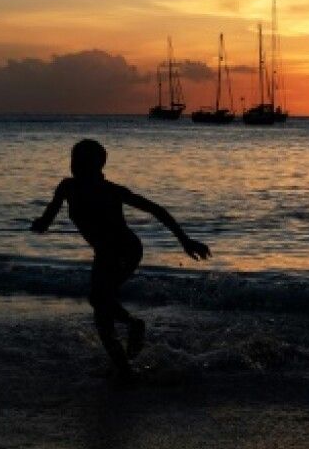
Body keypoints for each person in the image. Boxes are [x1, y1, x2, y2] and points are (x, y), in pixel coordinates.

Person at [30, 139, 209, 374]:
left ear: (97, 166)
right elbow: (47, 218)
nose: (75, 166)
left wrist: (185, 241)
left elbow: (156, 210)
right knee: (100, 303)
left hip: (127, 250)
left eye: (82, 162)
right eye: (74, 160)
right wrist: (40, 225)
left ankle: (126, 359)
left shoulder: (111, 191)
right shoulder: (67, 187)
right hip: (103, 254)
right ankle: (128, 348)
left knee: (99, 300)